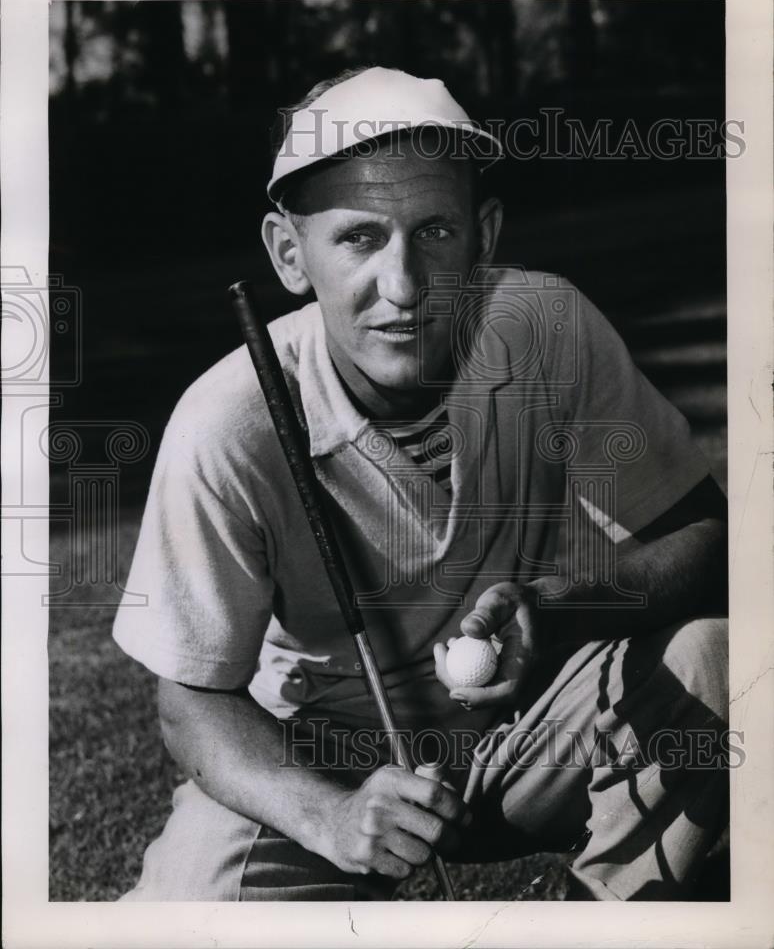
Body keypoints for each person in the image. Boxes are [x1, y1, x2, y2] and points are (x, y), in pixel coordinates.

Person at [112, 67, 729, 901]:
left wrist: (560, 609)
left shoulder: (548, 329)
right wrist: (330, 817)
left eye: (433, 231)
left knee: (723, 659)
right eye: (359, 238)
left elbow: (707, 536)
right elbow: (190, 705)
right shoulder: (226, 421)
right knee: (197, 906)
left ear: (484, 235)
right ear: (289, 254)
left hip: (537, 724)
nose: (403, 286)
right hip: (324, 759)